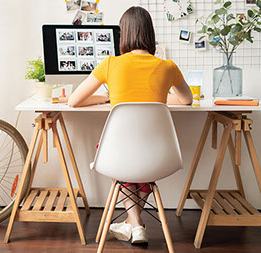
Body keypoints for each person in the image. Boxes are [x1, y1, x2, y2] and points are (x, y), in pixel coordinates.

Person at [67, 6, 192, 245]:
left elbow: (74, 101)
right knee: (142, 158)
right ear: (150, 34)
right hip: (158, 157)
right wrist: (162, 97)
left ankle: (134, 225)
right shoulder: (167, 67)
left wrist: (107, 97)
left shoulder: (110, 64)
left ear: (124, 34)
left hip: (117, 156)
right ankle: (136, 225)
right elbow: (187, 99)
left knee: (120, 154)